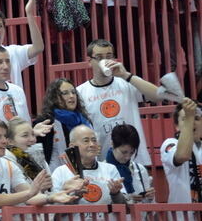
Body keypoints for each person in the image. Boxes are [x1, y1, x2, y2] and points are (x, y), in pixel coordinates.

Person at [77, 39, 163, 167]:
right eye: (99, 57)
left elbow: (158, 96)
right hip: (103, 164)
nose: (105, 61)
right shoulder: (81, 92)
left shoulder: (126, 82)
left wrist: (126, 75)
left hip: (134, 159)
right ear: (90, 61)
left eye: (109, 56)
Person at [50, 125, 126, 221]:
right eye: (86, 141)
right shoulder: (61, 172)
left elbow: (124, 207)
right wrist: (74, 198)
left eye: (94, 140)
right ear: (72, 146)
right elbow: (54, 212)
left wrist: (115, 194)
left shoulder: (110, 169)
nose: (92, 144)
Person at [161, 99, 202, 207]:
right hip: (182, 220)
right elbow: (183, 155)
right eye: (186, 118)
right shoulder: (170, 143)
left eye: (196, 118)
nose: (192, 121)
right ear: (177, 126)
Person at [105, 124, 153, 203]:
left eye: (132, 153)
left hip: (139, 214)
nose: (127, 157)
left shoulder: (140, 169)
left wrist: (149, 197)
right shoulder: (102, 170)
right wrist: (126, 200)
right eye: (124, 152)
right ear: (112, 144)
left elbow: (148, 206)